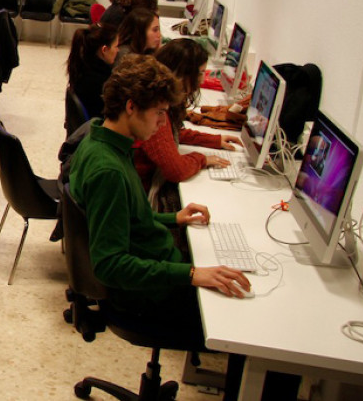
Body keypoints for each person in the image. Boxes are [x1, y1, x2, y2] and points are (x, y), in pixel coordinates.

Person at [69, 55, 252, 351]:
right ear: (131, 106)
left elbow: (127, 218)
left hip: (154, 269)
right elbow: (110, 265)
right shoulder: (109, 172)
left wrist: (173, 218)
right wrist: (191, 274)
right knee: (244, 316)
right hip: (144, 298)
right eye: (158, 113)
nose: (162, 123)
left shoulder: (102, 139)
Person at [134, 39, 238, 194]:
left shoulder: (158, 101)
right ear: (182, 75)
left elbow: (171, 133)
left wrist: (214, 140)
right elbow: (176, 171)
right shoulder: (156, 110)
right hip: (143, 190)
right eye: (201, 72)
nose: (202, 80)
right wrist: (202, 159)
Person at [66, 23, 119, 120]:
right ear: (104, 49)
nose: (118, 50)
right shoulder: (102, 81)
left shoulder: (82, 66)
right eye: (116, 46)